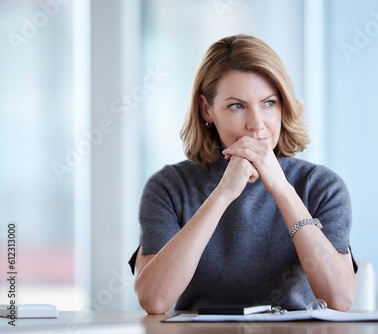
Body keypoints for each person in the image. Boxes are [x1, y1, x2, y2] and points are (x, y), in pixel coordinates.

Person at [129, 34, 357, 315]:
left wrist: (282, 190)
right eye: (237, 106)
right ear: (207, 110)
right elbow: (154, 300)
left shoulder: (321, 186)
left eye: (269, 103)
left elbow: (340, 299)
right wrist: (223, 193)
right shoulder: (169, 187)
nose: (257, 124)